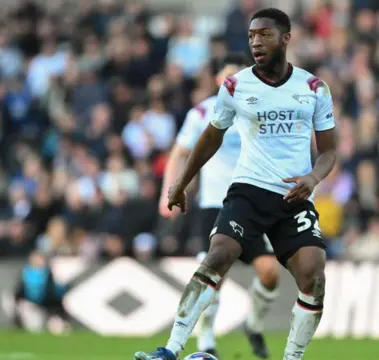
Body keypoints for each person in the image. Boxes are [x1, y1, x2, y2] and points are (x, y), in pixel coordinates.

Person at [135, 8, 337, 360]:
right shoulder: (235, 86)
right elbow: (210, 138)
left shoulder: (314, 88)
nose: (256, 41)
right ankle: (170, 349)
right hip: (249, 191)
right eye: (251, 36)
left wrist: (313, 177)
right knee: (217, 256)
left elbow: (330, 151)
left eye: (265, 34)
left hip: (294, 197)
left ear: (286, 38)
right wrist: (181, 183)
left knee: (313, 276)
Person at [159, 53, 281, 359]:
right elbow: (178, 153)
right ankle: (206, 342)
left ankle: (253, 326)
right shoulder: (201, 112)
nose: (236, 80)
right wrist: (168, 192)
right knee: (214, 274)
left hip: (251, 203)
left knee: (269, 273)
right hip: (214, 203)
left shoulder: (257, 111)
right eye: (229, 75)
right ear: (217, 79)